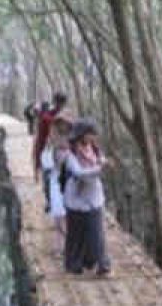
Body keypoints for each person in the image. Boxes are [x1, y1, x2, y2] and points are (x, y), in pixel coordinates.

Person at [62, 118, 111, 277]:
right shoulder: (70, 155)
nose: (92, 138)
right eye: (90, 134)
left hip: (93, 198)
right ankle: (74, 264)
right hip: (76, 200)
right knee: (76, 235)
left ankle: (102, 263)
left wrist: (105, 163)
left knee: (96, 232)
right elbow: (78, 173)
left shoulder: (95, 149)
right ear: (81, 135)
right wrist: (98, 169)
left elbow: (100, 160)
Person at [32, 91, 68, 212]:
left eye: (62, 103)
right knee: (48, 177)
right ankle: (50, 202)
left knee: (62, 178)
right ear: (55, 102)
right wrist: (37, 160)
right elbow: (40, 139)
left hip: (62, 153)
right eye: (58, 102)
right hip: (48, 152)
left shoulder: (67, 119)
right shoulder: (46, 118)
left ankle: (60, 202)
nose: (60, 106)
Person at [45, 115, 73, 248]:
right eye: (61, 125)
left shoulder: (74, 141)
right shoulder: (52, 142)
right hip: (57, 180)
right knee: (59, 214)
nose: (63, 127)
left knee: (69, 214)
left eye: (65, 125)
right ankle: (60, 244)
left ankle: (70, 243)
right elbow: (47, 163)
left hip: (71, 181)